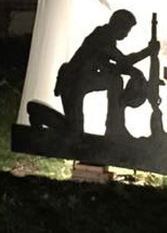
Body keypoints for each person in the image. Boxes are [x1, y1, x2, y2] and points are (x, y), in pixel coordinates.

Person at [54, 10, 158, 138]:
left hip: (81, 79)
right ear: (118, 26)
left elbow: (113, 67)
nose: (126, 35)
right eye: (126, 30)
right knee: (74, 130)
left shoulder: (107, 37)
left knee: (115, 80)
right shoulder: (102, 37)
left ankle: (115, 126)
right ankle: (114, 127)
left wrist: (134, 72)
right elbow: (123, 61)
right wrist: (148, 51)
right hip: (74, 81)